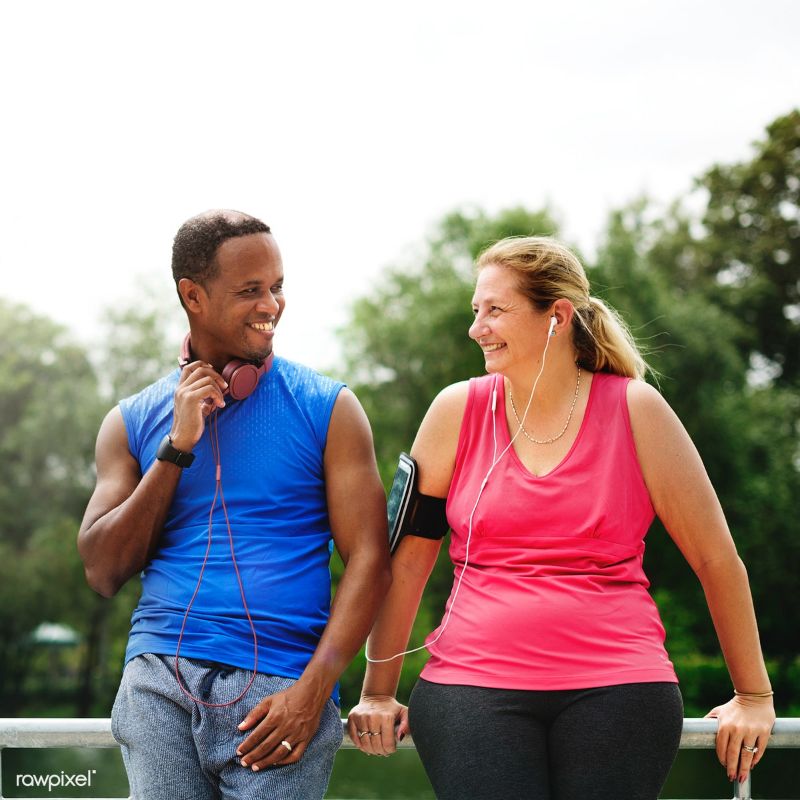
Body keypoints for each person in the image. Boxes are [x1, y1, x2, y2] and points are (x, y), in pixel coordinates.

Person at [347, 236, 775, 799]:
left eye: (495, 310)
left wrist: (755, 696)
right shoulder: (456, 411)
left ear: (558, 315)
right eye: (476, 311)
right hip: (469, 688)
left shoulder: (637, 409)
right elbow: (409, 563)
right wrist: (377, 691)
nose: (477, 328)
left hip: (621, 686)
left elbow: (716, 559)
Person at [78, 210, 391, 800]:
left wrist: (314, 691)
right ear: (192, 296)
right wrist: (177, 448)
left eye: (277, 287)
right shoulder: (131, 422)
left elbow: (370, 560)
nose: (270, 304)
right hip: (158, 683)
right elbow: (102, 569)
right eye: (250, 290)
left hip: (281, 690)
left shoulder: (331, 408)